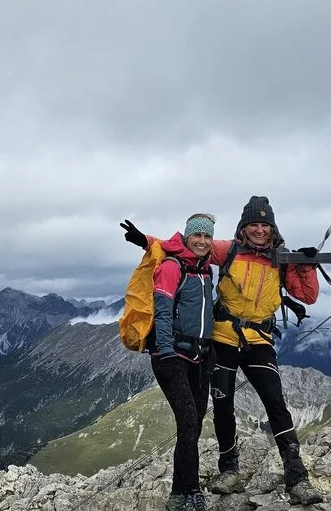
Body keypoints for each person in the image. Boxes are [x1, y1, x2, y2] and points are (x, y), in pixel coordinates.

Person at [120, 196, 325, 505]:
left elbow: (307, 295)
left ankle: (297, 476)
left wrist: (305, 264)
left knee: (276, 404)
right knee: (224, 405)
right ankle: (229, 471)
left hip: (258, 341)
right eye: (253, 224)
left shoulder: (282, 257)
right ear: (244, 227)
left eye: (264, 225)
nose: (258, 230)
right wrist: (146, 241)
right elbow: (187, 246)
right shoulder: (228, 250)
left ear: (273, 228)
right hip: (222, 338)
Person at [145, 213, 218, 511]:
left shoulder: (206, 271)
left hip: (201, 357)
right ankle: (191, 491)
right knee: (188, 421)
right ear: (187, 237)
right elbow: (162, 312)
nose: (202, 241)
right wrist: (166, 352)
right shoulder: (171, 268)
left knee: (194, 424)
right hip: (172, 356)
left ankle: (179, 491)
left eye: (207, 236)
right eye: (197, 235)